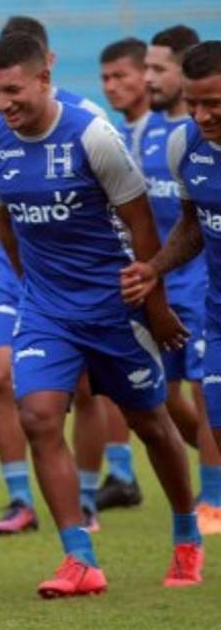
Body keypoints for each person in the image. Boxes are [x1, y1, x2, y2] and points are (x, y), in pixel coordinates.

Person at [0, 32, 202, 597]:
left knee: (152, 423)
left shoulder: (92, 135)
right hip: (48, 310)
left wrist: (156, 306)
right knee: (39, 417)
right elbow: (8, 228)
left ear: (44, 80)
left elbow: (142, 224)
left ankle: (185, 533)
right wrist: (38, 297)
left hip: (115, 307)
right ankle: (80, 559)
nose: (4, 104)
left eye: (14, 90)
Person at [0, 15, 111, 535]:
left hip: (78, 275)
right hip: (14, 268)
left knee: (85, 390)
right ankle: (19, 498)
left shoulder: (87, 120)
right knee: (1, 376)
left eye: (14, 84)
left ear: (46, 67)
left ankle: (85, 498)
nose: (4, 99)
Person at [122, 39, 221, 501]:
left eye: (213, 104)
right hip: (216, 313)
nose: (201, 116)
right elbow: (192, 223)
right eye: (194, 103)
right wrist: (154, 268)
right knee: (214, 425)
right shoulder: (185, 143)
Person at [94, 37, 153, 510]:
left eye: (121, 76)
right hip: (131, 277)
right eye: (106, 79)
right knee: (125, 385)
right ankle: (121, 473)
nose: (112, 87)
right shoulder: (116, 135)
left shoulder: (176, 131)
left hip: (181, 279)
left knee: (178, 394)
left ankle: (210, 495)